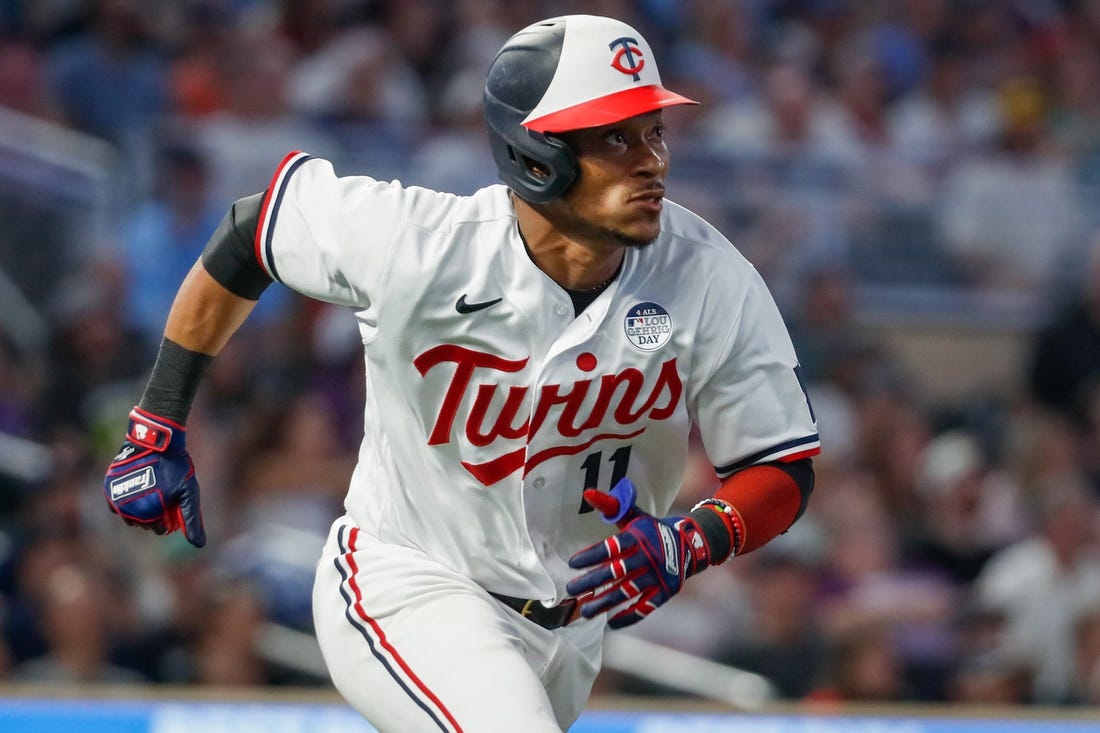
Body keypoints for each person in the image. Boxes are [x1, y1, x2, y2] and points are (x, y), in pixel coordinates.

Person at [101, 14, 820, 732]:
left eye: (654, 131)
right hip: (407, 583)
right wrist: (156, 422)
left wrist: (694, 538)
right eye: (615, 137)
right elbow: (252, 230)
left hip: (568, 631)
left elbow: (782, 462)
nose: (651, 160)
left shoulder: (708, 273)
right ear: (536, 153)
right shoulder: (421, 242)